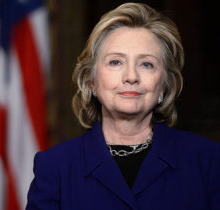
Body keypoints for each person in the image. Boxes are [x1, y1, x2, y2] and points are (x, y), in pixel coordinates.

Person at [26, 2, 220, 210]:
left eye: (146, 64)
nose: (131, 77)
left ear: (164, 86)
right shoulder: (55, 167)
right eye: (115, 62)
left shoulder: (209, 160)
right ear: (92, 81)